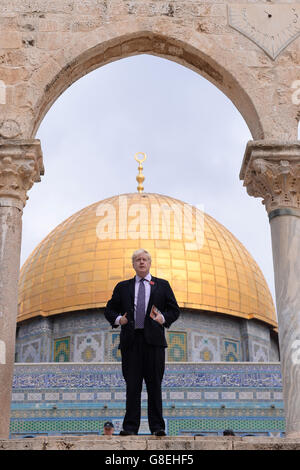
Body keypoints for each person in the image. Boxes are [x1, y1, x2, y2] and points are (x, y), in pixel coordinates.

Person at [104, 249, 180, 436]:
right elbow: (109, 309)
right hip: (131, 342)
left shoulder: (162, 285)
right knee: (133, 386)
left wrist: (163, 318)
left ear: (150, 263)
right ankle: (130, 428)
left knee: (154, 385)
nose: (141, 262)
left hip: (154, 342)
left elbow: (174, 310)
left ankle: (157, 427)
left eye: (144, 259)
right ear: (133, 264)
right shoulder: (123, 287)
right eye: (138, 260)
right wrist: (118, 319)